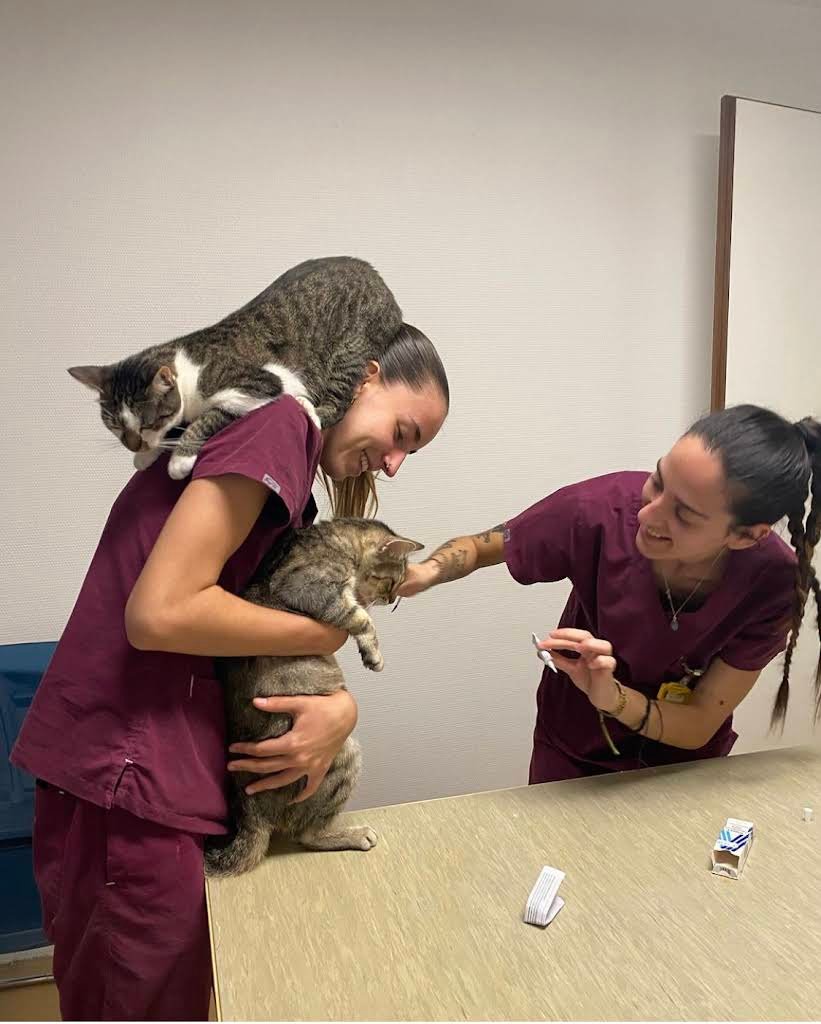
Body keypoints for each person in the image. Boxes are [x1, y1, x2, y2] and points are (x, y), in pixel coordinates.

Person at [12, 323, 449, 1021]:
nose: (394, 462)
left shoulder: (289, 480)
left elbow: (242, 635)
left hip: (159, 768)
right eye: (403, 432)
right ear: (364, 377)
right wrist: (330, 631)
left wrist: (340, 710)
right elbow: (159, 614)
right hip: (125, 774)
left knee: (174, 994)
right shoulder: (278, 423)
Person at [398, 404, 821, 784]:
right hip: (572, 748)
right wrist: (422, 573)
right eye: (658, 481)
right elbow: (480, 546)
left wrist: (613, 698)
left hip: (683, 766)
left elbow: (700, 722)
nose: (647, 514)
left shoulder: (773, 583)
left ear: (746, 537)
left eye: (685, 515)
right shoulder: (599, 509)